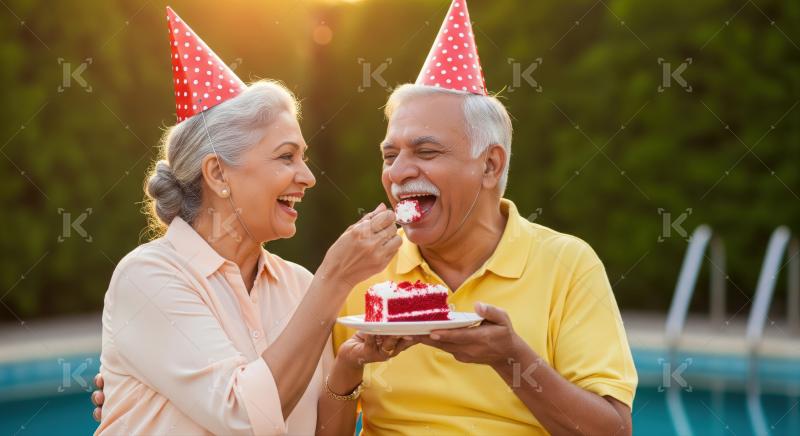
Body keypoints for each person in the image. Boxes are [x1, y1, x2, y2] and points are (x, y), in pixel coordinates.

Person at [93, 8, 414, 435]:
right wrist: (335, 277)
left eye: (304, 157)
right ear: (217, 174)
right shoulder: (147, 277)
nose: (308, 177)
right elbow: (246, 417)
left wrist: (347, 368)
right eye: (286, 157)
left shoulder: (299, 286)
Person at [331, 1, 638, 434]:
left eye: (426, 151)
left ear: (490, 165)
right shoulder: (364, 273)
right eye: (389, 154)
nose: (398, 172)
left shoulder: (568, 264)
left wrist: (510, 358)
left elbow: (613, 431)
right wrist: (347, 366)